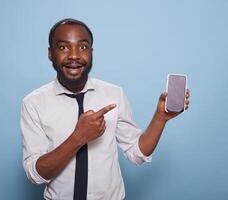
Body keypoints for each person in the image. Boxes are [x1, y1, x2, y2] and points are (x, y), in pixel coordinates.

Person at [20, 18, 190, 200]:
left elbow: (137, 153)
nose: (74, 55)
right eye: (63, 47)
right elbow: (35, 175)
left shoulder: (114, 94)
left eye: (83, 47)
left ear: (91, 53)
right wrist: (78, 137)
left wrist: (160, 118)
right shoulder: (33, 103)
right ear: (50, 53)